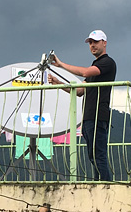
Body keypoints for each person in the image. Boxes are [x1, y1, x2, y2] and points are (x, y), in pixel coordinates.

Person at [49, 29, 116, 180]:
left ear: (104, 43)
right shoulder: (95, 65)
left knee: (98, 155)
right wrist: (58, 83)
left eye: (96, 42)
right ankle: (100, 184)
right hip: (88, 117)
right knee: (93, 156)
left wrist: (61, 65)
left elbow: (85, 73)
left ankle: (106, 186)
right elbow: (79, 91)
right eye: (90, 43)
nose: (92, 45)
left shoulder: (107, 63)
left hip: (98, 116)